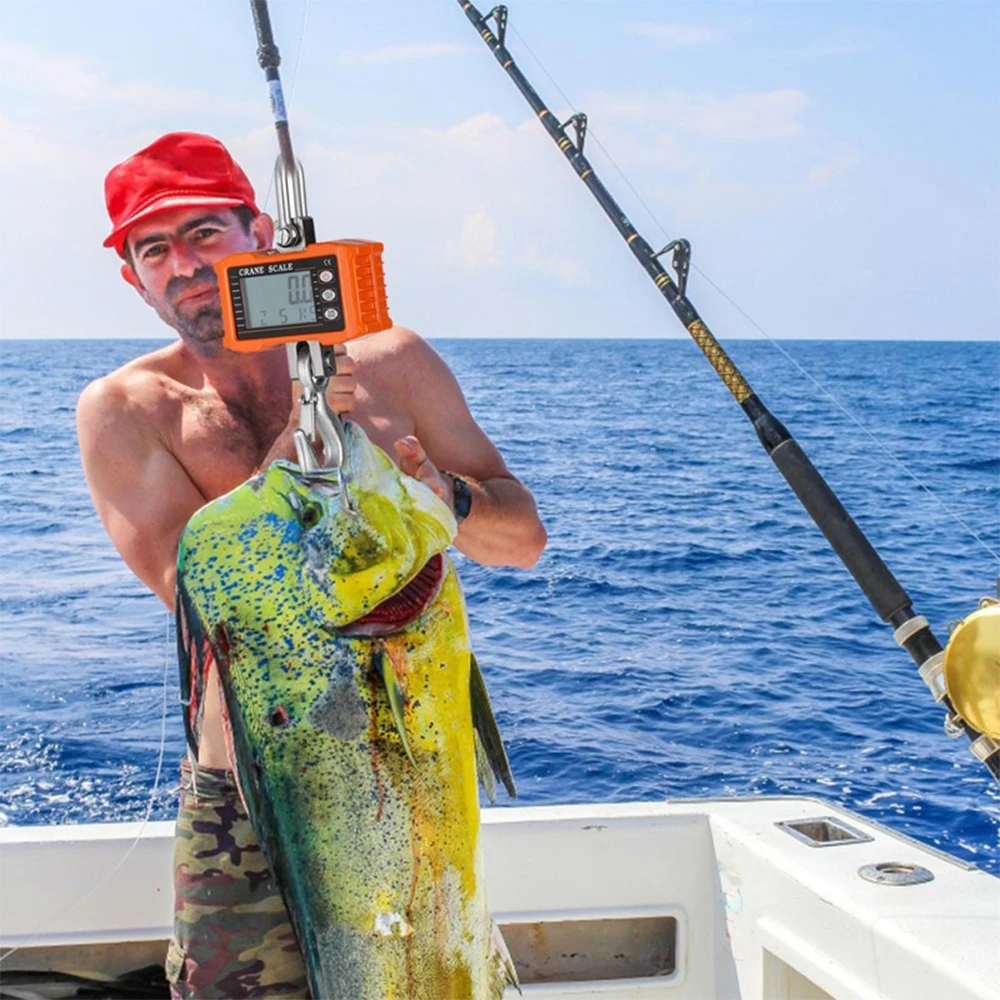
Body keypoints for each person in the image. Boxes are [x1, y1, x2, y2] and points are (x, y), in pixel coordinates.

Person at [77, 131, 546, 999]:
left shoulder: (394, 362)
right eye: (154, 250)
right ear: (132, 279)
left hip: (405, 748)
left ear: (261, 233)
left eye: (203, 233)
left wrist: (445, 494)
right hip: (250, 794)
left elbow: (522, 539)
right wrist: (309, 429)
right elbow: (218, 593)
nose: (181, 264)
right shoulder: (126, 412)